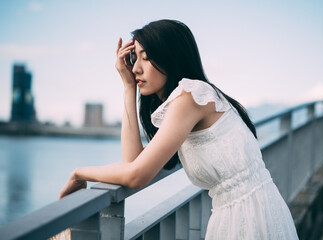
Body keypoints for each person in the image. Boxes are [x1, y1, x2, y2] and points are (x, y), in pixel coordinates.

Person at [59, 19, 299, 239]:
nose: (136, 69)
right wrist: (128, 88)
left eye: (147, 57)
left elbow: (135, 175)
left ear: (170, 57)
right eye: (135, 58)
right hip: (245, 212)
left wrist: (79, 173)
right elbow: (133, 161)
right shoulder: (186, 100)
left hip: (248, 219)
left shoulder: (190, 96)